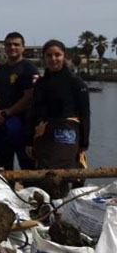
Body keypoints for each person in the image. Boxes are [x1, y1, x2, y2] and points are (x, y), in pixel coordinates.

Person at [26, 40, 89, 183]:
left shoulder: (76, 82)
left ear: (64, 56)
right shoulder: (41, 83)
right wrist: (28, 140)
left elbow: (85, 113)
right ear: (44, 58)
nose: (53, 59)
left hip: (68, 135)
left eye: (57, 55)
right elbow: (34, 113)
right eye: (49, 55)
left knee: (67, 176)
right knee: (45, 177)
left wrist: (84, 142)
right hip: (44, 137)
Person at [0, 32, 39, 170]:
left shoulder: (29, 68)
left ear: (23, 48)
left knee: (27, 164)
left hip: (22, 122)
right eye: (9, 45)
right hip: (1, 121)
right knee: (3, 164)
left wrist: (8, 112)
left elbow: (30, 96)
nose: (12, 47)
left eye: (16, 44)